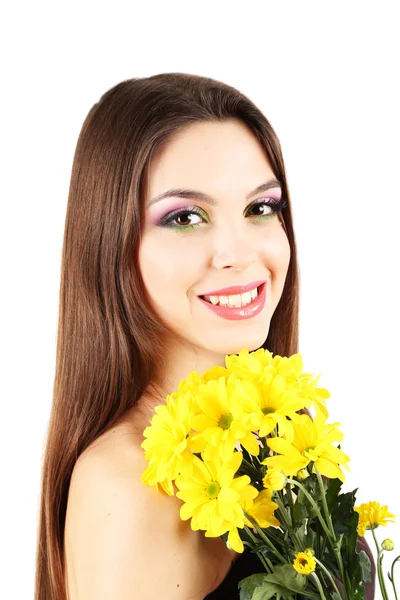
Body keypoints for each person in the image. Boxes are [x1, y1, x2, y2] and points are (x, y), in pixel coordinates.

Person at [34, 72, 375, 599]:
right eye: (187, 217)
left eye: (260, 208)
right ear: (112, 243)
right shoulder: (127, 483)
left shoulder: (271, 436)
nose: (238, 252)